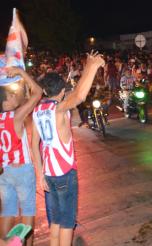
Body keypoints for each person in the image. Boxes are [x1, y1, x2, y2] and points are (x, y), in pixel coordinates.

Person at [31, 52, 105, 246]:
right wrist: (93, 66)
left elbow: (33, 145)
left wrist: (40, 175)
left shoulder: (37, 111)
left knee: (54, 222)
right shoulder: (59, 109)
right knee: (66, 224)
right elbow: (80, 95)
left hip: (48, 174)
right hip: (64, 174)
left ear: (45, 91)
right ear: (62, 91)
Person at [0, 67, 42, 246]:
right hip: (22, 169)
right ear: (5, 102)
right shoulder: (16, 116)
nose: (13, 97)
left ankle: (6, 243)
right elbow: (38, 93)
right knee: (28, 212)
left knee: (7, 211)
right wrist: (21, 73)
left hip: (4, 171)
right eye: (10, 96)